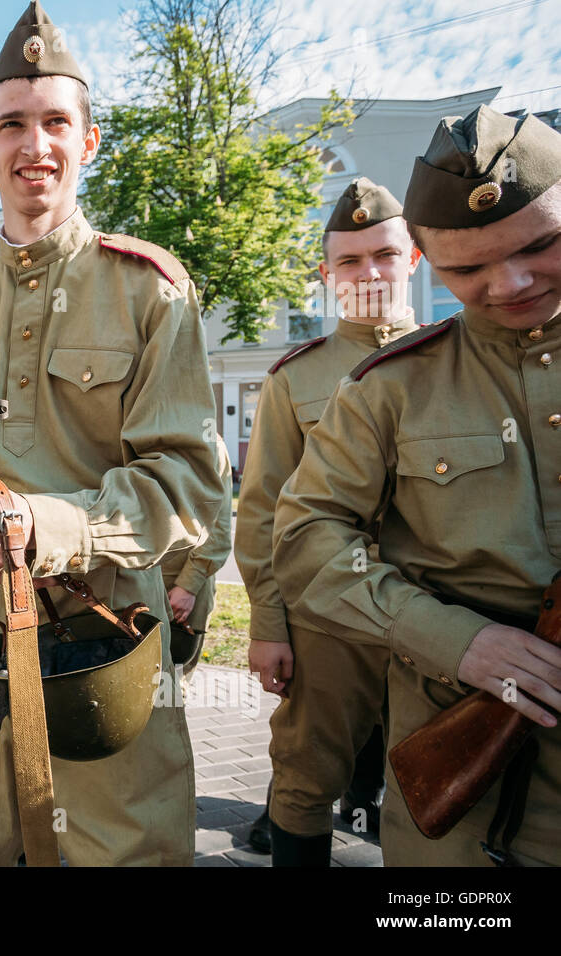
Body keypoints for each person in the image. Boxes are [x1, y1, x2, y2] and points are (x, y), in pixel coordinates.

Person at [0, 0, 227, 865]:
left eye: (55, 123)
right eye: (11, 124)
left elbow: (188, 482)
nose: (32, 144)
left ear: (88, 143)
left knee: (125, 847)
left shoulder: (150, 290)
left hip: (105, 634)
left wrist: (48, 525)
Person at [274, 105, 561, 866]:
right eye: (470, 269)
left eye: (541, 246)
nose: (512, 282)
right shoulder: (384, 386)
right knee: (313, 773)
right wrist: (453, 641)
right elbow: (292, 525)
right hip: (441, 704)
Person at [236, 178, 423, 863]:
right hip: (328, 623)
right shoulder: (296, 378)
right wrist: (268, 625)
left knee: (429, 786)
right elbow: (263, 509)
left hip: (442, 617)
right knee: (305, 780)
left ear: (415, 257)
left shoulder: (458, 362)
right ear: (326, 276)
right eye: (349, 261)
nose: (368, 273)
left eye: (383, 254)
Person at [160, 441, 233, 675]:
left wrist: (188, 585)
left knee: (172, 690)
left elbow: (217, 529)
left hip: (178, 591)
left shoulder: (207, 443)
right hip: (126, 591)